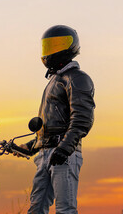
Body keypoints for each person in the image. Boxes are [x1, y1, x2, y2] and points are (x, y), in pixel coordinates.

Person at [19, 25, 95, 214]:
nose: (52, 50)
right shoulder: (55, 80)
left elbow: (82, 119)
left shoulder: (77, 78)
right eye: (49, 45)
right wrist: (30, 145)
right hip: (46, 153)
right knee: (36, 209)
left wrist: (65, 148)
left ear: (71, 46)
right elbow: (52, 125)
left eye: (58, 44)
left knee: (65, 210)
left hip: (65, 154)